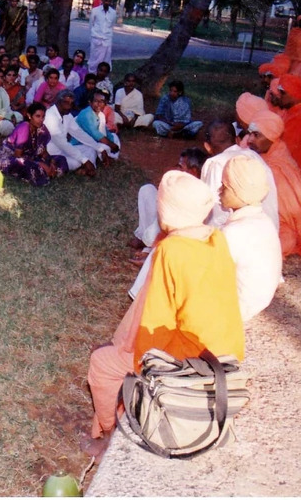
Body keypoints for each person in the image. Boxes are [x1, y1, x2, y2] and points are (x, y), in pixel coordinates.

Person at [85, 169, 244, 450]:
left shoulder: (171, 250)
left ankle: (110, 435)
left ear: (167, 211)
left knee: (102, 363)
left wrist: (136, 361)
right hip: (224, 352)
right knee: (116, 352)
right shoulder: (216, 239)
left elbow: (155, 322)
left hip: (189, 357)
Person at [246, 110, 301, 283]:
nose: (250, 140)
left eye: (256, 135)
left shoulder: (277, 167)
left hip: (282, 227)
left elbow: (284, 219)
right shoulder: (268, 154)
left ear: (272, 137)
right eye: (249, 134)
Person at [219, 155, 283, 322]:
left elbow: (211, 273)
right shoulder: (262, 220)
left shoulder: (235, 231)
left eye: (225, 187)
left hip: (238, 308)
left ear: (239, 192)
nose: (219, 191)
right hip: (255, 302)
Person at [0, 103, 68, 187]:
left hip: (31, 157)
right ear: (29, 116)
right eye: (38, 116)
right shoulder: (24, 128)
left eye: (43, 116)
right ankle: (44, 174)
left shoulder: (42, 130)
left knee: (61, 159)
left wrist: (51, 162)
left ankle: (47, 172)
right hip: (11, 158)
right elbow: (18, 156)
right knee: (31, 167)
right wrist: (40, 164)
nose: (41, 119)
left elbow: (43, 151)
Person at [88, 0, 119, 72]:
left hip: (107, 40)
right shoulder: (95, 11)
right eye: (105, 0)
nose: (107, 2)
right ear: (102, 0)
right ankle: (92, 74)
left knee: (105, 59)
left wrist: (107, 36)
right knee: (94, 59)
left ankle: (102, 77)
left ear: (111, 1)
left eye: (109, 1)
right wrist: (94, 35)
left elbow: (112, 26)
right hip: (96, 39)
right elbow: (91, 24)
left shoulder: (113, 13)